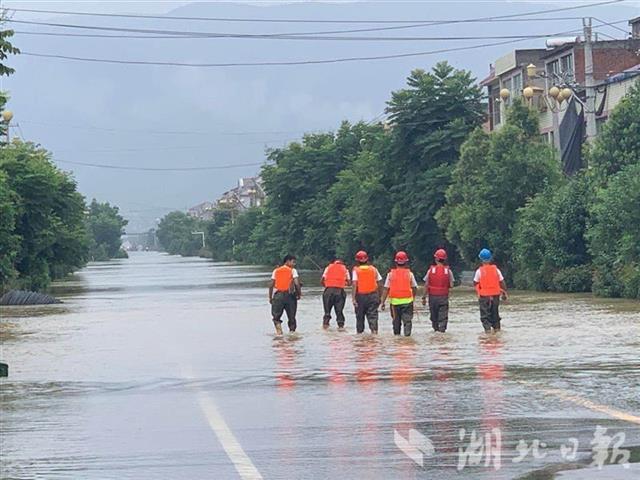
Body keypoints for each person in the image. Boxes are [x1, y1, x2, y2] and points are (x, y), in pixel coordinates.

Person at [380, 251, 418, 336]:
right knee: (407, 321)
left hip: (394, 303)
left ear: (396, 262)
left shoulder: (390, 275)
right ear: (406, 262)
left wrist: (382, 302)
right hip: (408, 302)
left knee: (396, 322)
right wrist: (413, 297)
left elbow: (386, 289)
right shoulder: (410, 274)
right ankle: (407, 338)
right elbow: (414, 288)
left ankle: (397, 338)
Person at [473, 248, 508, 333]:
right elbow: (502, 282)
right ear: (490, 258)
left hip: (484, 297)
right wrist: (504, 293)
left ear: (481, 259)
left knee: (485, 317)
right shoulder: (496, 270)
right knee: (495, 316)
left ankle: (488, 333)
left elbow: (475, 282)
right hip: (495, 296)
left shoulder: (479, 271)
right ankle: (497, 332)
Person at [422, 248, 455, 333]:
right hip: (443, 297)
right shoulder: (448, 271)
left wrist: (423, 297)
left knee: (434, 316)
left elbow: (426, 285)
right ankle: (442, 331)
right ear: (445, 259)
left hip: (432, 297)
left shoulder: (430, 271)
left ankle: (436, 331)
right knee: (443, 316)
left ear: (436, 259)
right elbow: (451, 285)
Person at [268, 254, 301, 335]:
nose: (294, 264)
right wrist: (299, 294)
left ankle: (279, 332)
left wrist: (270, 297)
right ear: (288, 261)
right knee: (292, 317)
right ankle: (292, 334)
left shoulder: (276, 270)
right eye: (293, 262)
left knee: (276, 317)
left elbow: (271, 285)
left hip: (278, 296)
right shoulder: (293, 270)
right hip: (290, 296)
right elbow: (297, 283)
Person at [351, 250, 382, 334]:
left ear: (357, 260)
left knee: (360, 317)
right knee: (373, 316)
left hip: (360, 297)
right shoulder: (374, 269)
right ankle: (374, 333)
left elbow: (354, 284)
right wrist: (380, 297)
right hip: (373, 296)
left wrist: (353, 299)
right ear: (367, 259)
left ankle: (360, 335)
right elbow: (380, 283)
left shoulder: (356, 270)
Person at [321, 258, 350, 329]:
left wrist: (327, 284)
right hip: (339, 292)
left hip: (328, 292)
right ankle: (341, 328)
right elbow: (349, 283)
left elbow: (322, 281)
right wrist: (344, 283)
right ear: (342, 264)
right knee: (339, 312)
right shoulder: (345, 269)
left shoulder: (328, 268)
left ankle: (325, 327)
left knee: (327, 313)